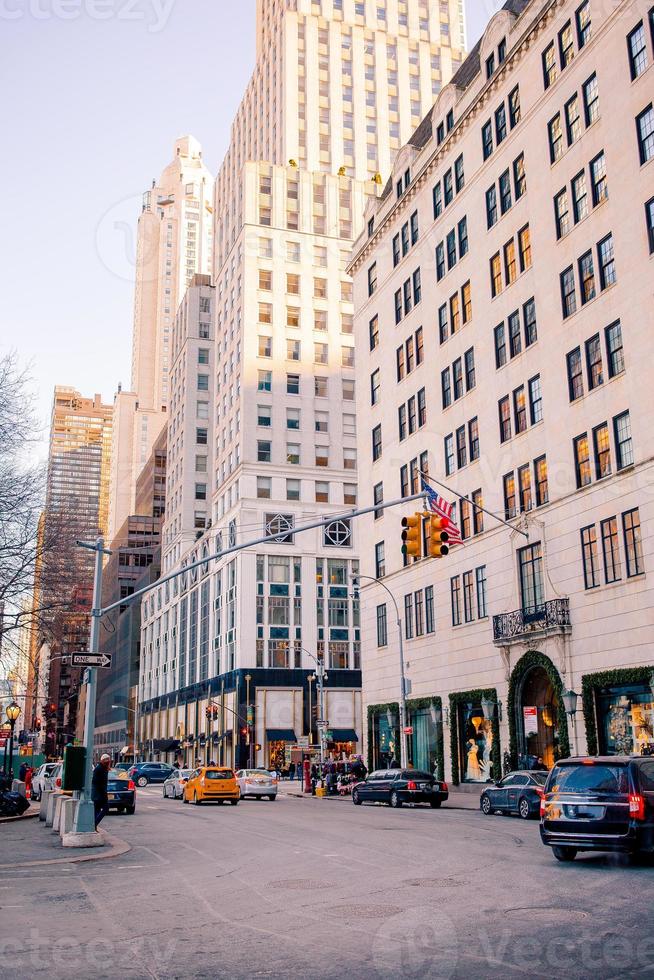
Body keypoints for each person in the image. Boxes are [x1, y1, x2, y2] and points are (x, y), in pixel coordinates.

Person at [91, 754, 112, 830]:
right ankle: (93, 825)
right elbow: (100, 783)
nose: (109, 762)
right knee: (106, 808)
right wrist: (104, 795)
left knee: (97, 810)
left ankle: (94, 826)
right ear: (104, 761)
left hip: (97, 794)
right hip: (99, 794)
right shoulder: (100, 769)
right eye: (107, 760)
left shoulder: (102, 768)